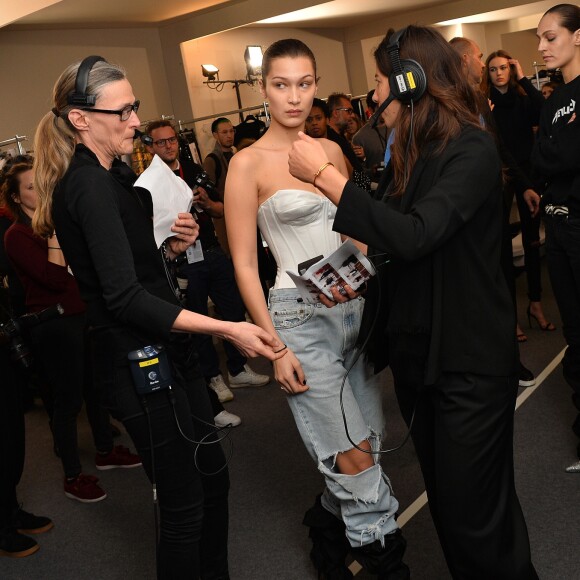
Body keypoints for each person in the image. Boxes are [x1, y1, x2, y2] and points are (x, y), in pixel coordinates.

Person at [288, 26, 538, 579]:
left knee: (479, 520)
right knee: (453, 513)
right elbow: (397, 242)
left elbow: (419, 233)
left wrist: (329, 180)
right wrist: (356, 271)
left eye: (379, 82)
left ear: (409, 81)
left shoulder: (470, 146)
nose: (373, 97)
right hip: (423, 359)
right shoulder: (415, 154)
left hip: (468, 363)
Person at [33, 56, 284, 580]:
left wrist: (168, 251)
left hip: (169, 353)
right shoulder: (87, 186)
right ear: (81, 119)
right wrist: (226, 327)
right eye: (121, 111)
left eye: (135, 107)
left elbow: (128, 275)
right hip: (138, 363)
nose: (134, 120)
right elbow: (122, 299)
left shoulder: (113, 175)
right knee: (184, 505)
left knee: (212, 480)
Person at [225, 38, 409, 579]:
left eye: (305, 84)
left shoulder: (328, 151)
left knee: (366, 447)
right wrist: (275, 348)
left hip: (351, 309)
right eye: (281, 84)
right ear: (263, 89)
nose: (295, 97)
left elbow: (360, 228)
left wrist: (361, 270)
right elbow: (241, 265)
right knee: (351, 461)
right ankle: (387, 563)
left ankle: (325, 536)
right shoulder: (245, 163)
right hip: (297, 318)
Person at [2, 159, 141, 503]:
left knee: (95, 388)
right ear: (17, 198)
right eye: (30, 187)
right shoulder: (17, 235)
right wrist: (52, 236)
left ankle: (106, 452)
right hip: (54, 324)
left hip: (83, 315)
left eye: (41, 183)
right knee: (67, 401)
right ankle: (72, 475)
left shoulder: (57, 220)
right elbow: (52, 279)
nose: (39, 190)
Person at [144, 120, 269, 421]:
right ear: (150, 147)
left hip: (211, 250)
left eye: (172, 140)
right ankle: (212, 376)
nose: (169, 146)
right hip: (183, 259)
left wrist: (206, 202)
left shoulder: (192, 168)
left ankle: (238, 369)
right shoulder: (148, 183)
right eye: (161, 142)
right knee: (198, 321)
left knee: (233, 309)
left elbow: (221, 210)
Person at [450, 35, 538, 389]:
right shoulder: (451, 106)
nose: (483, 64)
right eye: (479, 56)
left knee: (500, 284)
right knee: (482, 291)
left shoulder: (481, 103)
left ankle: (507, 364)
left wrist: (525, 184)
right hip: (468, 216)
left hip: (494, 209)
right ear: (464, 60)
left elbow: (499, 150)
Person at [531, 3, 580, 473]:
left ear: (578, 36)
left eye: (550, 37)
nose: (542, 47)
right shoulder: (551, 101)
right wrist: (556, 146)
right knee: (575, 333)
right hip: (558, 226)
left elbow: (563, 154)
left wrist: (556, 147)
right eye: (539, 39)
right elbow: (541, 158)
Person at [481, 50, 555, 335]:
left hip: (528, 174)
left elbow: (544, 110)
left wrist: (524, 77)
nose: (499, 73)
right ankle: (508, 314)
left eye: (504, 68)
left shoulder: (524, 97)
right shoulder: (486, 105)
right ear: (487, 74)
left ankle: (535, 304)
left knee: (533, 241)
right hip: (501, 175)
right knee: (500, 247)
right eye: (493, 69)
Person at [203, 117, 235, 256]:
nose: (229, 135)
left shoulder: (237, 154)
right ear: (216, 135)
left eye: (231, 131)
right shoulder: (212, 160)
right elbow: (209, 191)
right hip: (224, 218)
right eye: (224, 132)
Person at [352, 90, 389, 186]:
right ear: (370, 110)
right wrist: (371, 171)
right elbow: (358, 172)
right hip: (377, 187)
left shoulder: (397, 128)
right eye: (380, 108)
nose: (385, 110)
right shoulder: (359, 137)